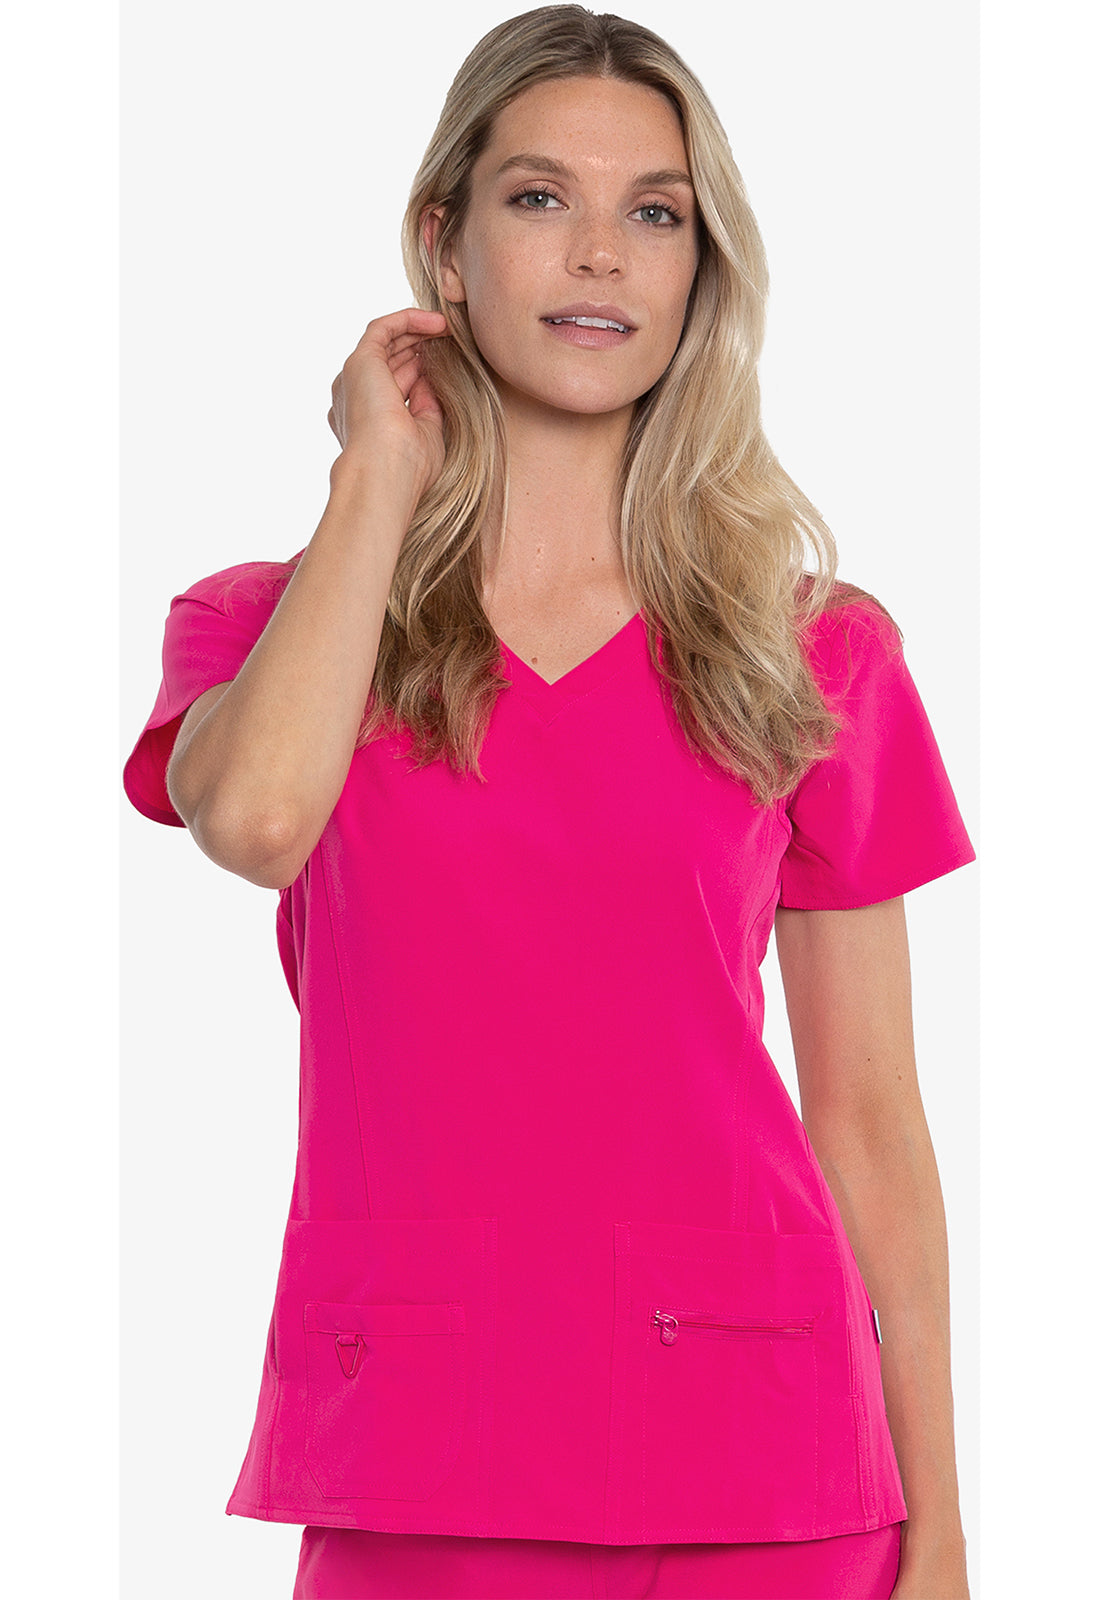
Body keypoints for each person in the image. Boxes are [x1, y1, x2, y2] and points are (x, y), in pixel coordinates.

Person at [123, 7, 974, 1598]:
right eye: (538, 198)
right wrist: (376, 478)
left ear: (701, 269)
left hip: (770, 1467)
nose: (599, 254)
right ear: (444, 244)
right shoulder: (269, 623)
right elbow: (253, 824)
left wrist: (944, 1532)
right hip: (417, 1452)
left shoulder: (812, 655)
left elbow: (869, 1122)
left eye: (655, 212)